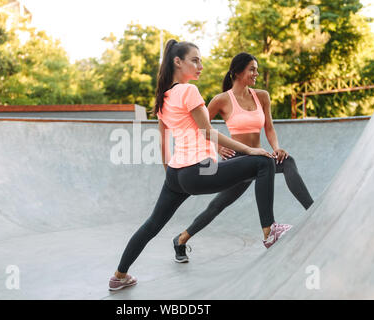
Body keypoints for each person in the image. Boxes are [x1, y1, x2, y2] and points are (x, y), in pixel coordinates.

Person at [108, 41, 291, 291]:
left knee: (152, 224)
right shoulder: (189, 91)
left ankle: (119, 276)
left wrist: (171, 176)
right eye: (195, 60)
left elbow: (163, 141)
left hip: (176, 173)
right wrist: (248, 149)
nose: (200, 66)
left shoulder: (163, 97)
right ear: (178, 62)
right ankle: (269, 231)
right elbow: (207, 132)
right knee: (263, 162)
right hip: (198, 170)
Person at [172, 52, 314, 263]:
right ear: (237, 72)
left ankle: (313, 212)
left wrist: (276, 148)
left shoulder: (262, 96)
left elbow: (270, 128)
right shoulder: (221, 100)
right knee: (217, 206)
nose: (256, 73)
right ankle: (181, 239)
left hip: (260, 158)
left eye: (256, 69)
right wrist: (219, 146)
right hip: (237, 161)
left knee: (288, 161)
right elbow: (200, 128)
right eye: (252, 69)